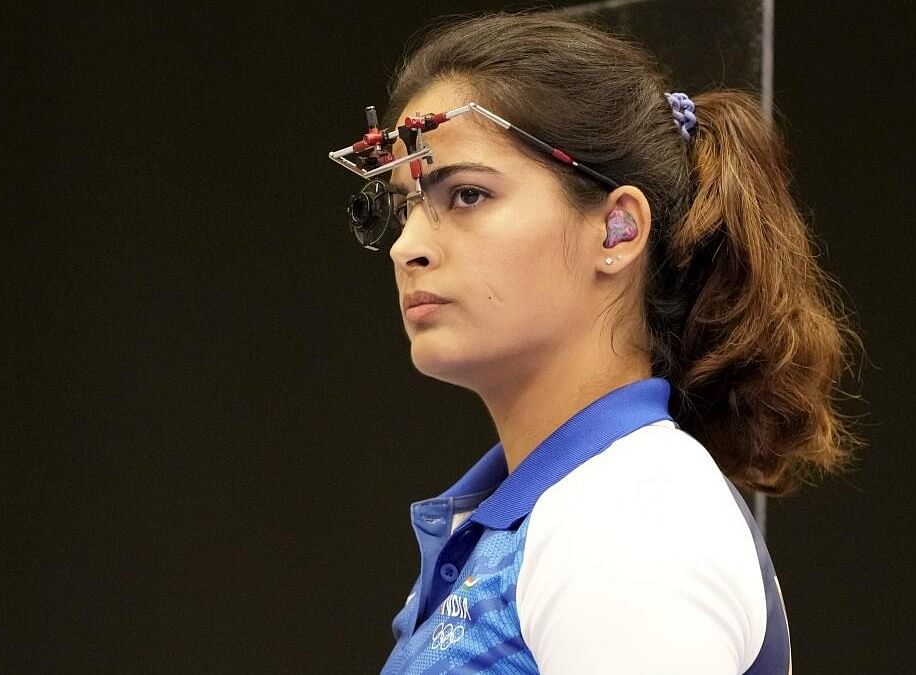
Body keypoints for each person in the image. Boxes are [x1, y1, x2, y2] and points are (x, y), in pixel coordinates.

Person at [339, 12, 861, 674]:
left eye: (467, 194)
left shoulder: (633, 520)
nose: (408, 246)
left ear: (617, 230)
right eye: (406, 206)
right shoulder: (565, 512)